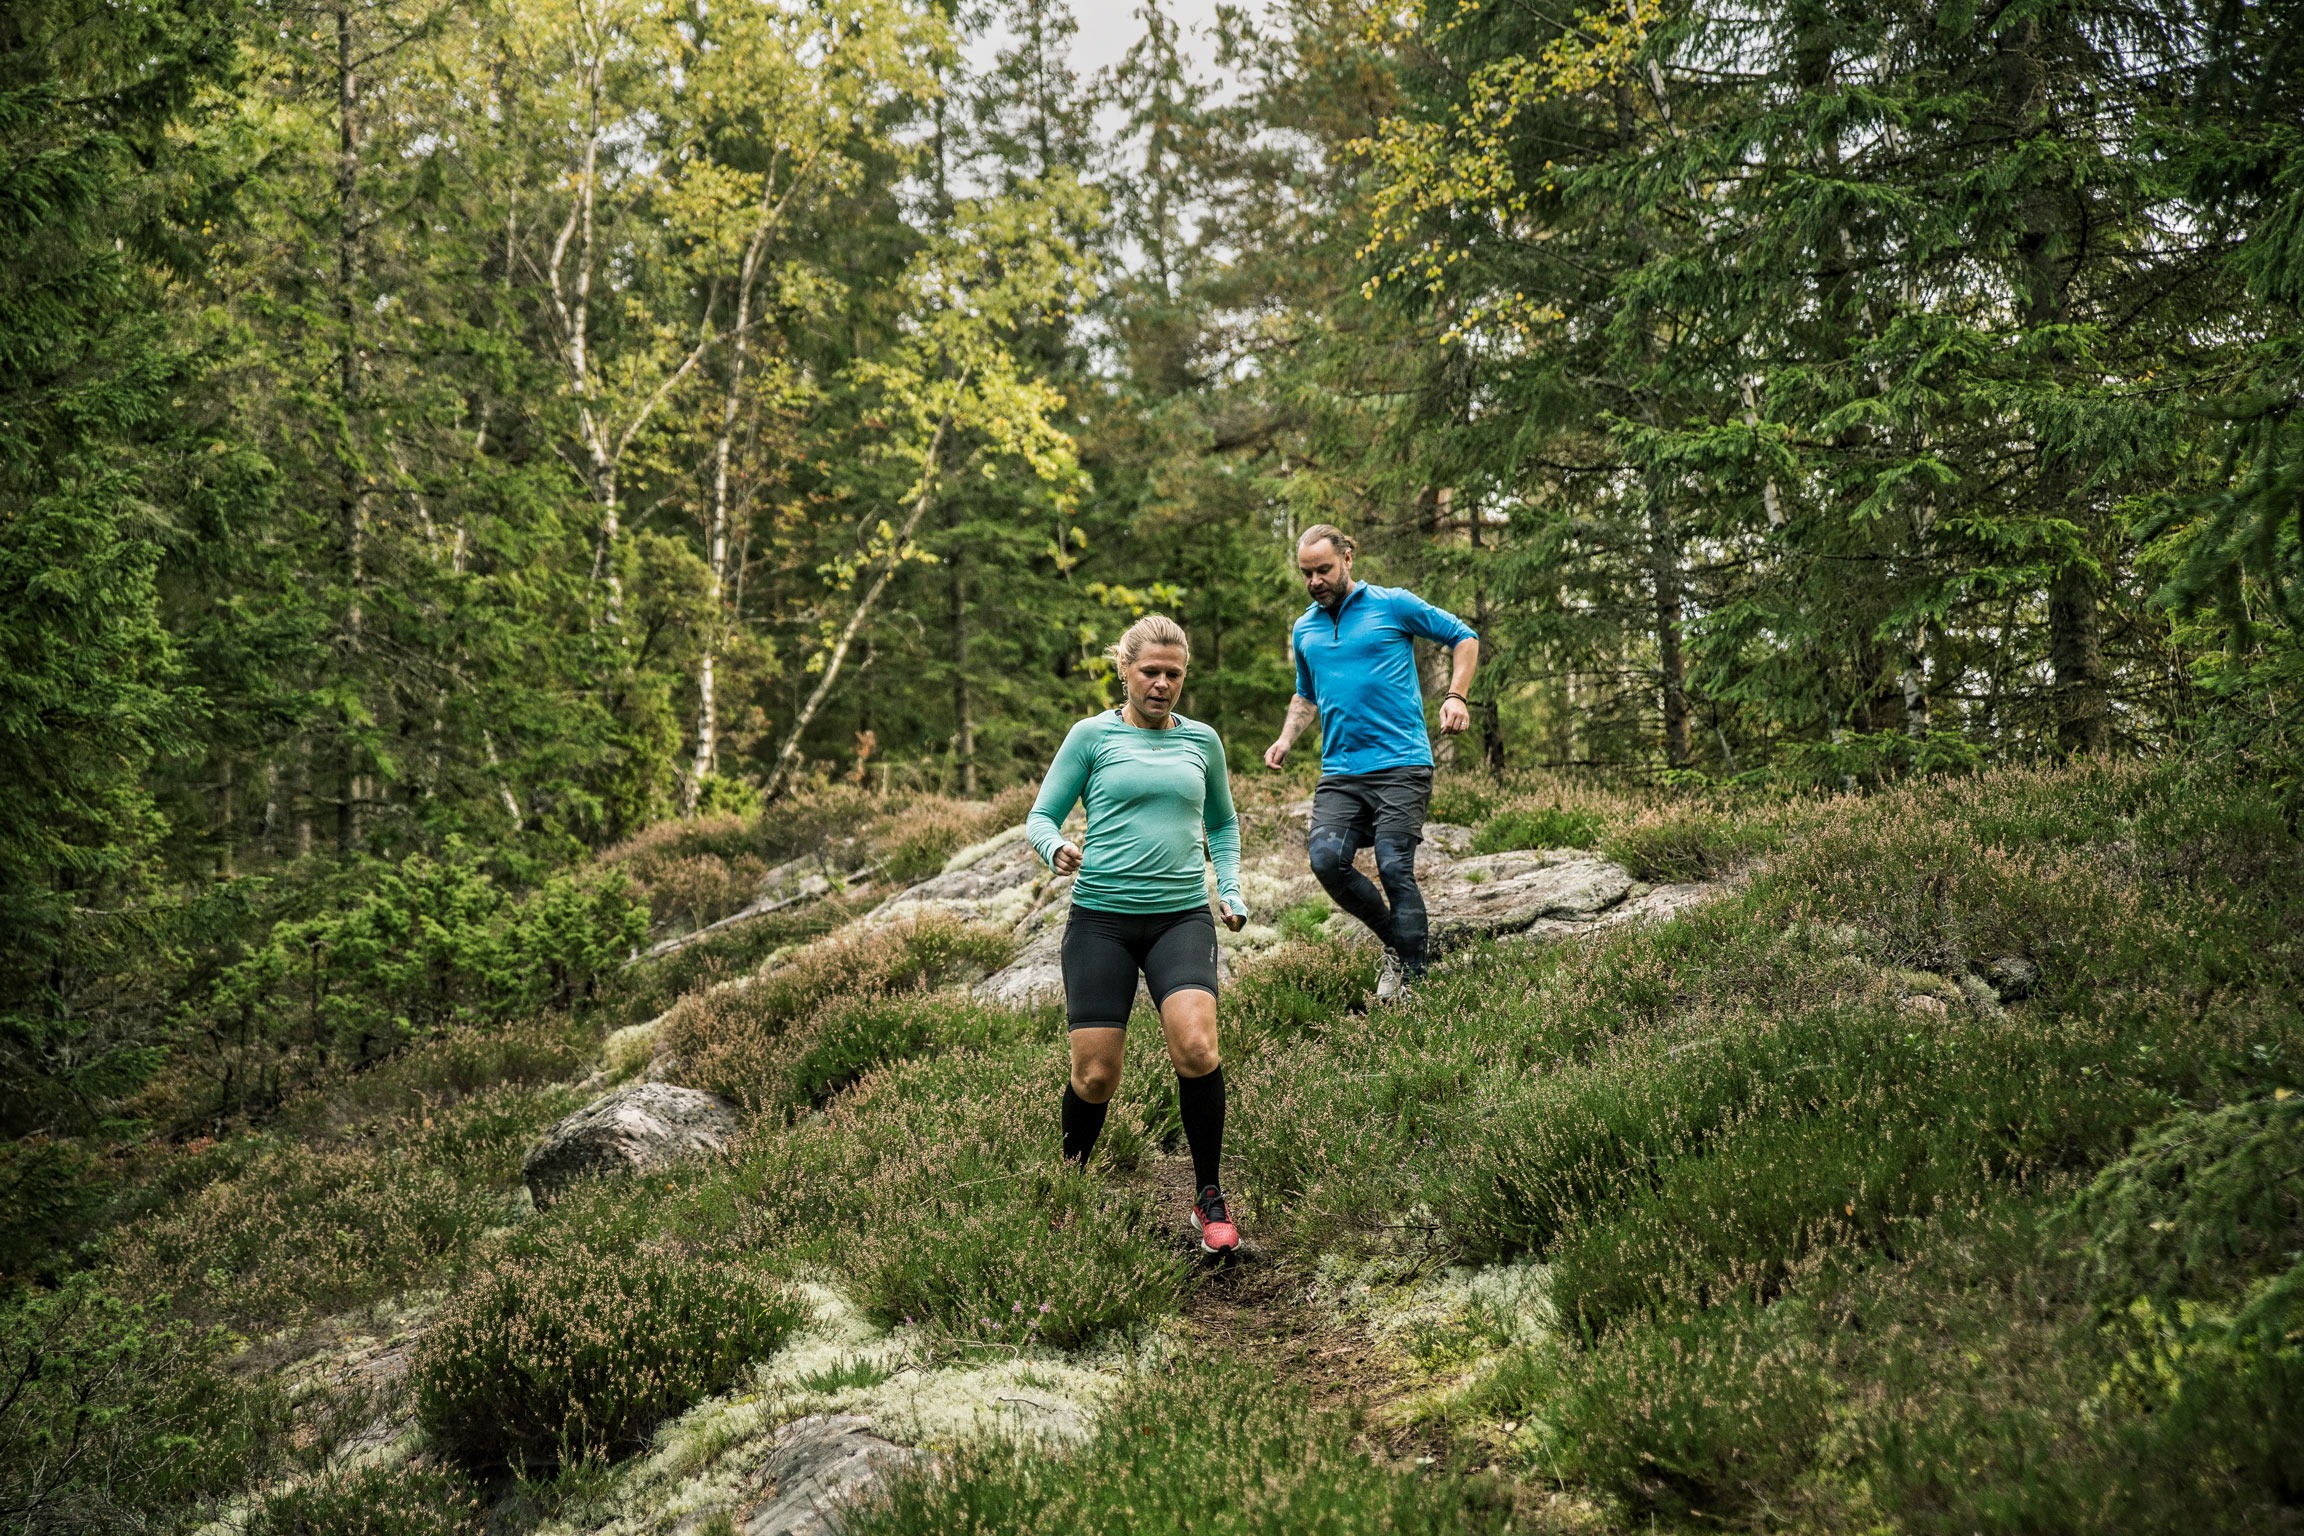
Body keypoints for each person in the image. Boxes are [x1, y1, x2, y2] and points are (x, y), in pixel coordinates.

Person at [1026, 614, 1249, 1256]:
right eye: (1150, 671)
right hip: (1102, 921)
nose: (1161, 684)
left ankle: (1209, 1198)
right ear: (1124, 670)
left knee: (1198, 1047)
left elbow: (1222, 824)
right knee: (1096, 1076)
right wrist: (1054, 847)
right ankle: (1068, 1189)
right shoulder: (1091, 736)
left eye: (1173, 674)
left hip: (1181, 917)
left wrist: (1230, 889)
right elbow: (1041, 815)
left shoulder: (1202, 741)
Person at [1263, 524, 1479, 1001]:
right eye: (1306, 573)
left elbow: (1463, 636)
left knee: (1394, 866)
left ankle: (1417, 989)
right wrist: (1285, 738)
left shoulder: (1393, 604)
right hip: (1341, 772)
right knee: (1326, 861)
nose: (1315, 581)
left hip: (1402, 764)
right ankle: (1397, 946)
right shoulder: (1304, 628)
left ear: (1348, 558)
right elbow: (1306, 693)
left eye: (1323, 570)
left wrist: (1456, 695)